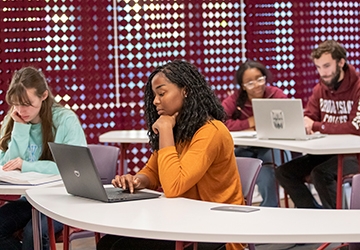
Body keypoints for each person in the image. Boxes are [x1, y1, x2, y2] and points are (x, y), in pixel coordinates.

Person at [97, 60, 245, 250]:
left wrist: (165, 130)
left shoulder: (211, 131)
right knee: (108, 243)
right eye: (154, 95)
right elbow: (153, 171)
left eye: (161, 93)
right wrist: (137, 181)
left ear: (185, 90)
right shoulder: (182, 129)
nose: (155, 101)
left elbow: (174, 186)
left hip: (217, 228)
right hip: (185, 220)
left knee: (121, 247)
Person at [0, 66, 87, 250]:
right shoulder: (15, 119)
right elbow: (6, 166)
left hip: (63, 198)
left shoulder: (65, 120)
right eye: (16, 103)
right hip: (28, 199)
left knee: (35, 233)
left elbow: (74, 168)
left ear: (44, 96)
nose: (21, 110)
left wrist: (28, 166)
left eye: (27, 103)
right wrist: (21, 129)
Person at [275, 40, 360, 209]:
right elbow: (309, 116)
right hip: (327, 151)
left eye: (327, 66)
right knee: (284, 172)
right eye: (319, 67)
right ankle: (314, 216)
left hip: (354, 153)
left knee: (320, 174)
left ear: (341, 62)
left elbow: (355, 127)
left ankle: (337, 224)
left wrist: (317, 126)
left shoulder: (358, 87)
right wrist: (306, 123)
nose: (323, 72)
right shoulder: (320, 89)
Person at [222, 60, 290, 207]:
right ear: (243, 86)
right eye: (250, 82)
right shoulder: (235, 99)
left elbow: (289, 119)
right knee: (229, 172)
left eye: (259, 79)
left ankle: (269, 214)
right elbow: (220, 122)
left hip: (271, 147)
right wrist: (249, 122)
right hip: (244, 147)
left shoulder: (275, 94)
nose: (257, 85)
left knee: (268, 177)